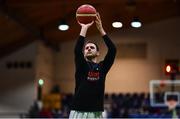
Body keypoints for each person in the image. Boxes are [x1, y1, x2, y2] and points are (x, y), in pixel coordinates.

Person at [69, 13, 116, 118]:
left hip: (96, 113)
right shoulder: (82, 65)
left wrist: (101, 29)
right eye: (86, 48)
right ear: (84, 53)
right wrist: (84, 28)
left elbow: (113, 50)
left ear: (98, 53)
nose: (89, 48)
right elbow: (77, 50)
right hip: (78, 111)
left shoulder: (103, 67)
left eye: (92, 47)